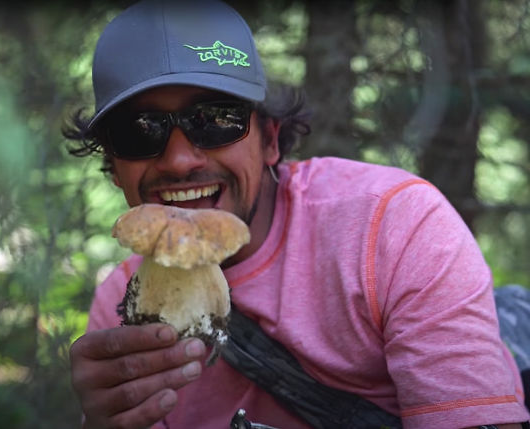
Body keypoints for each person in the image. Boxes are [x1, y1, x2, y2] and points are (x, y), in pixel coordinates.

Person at [64, 0, 530, 428]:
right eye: (140, 131)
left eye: (216, 119)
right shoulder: (123, 306)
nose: (180, 160)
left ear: (270, 138)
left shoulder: (392, 225)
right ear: (113, 167)